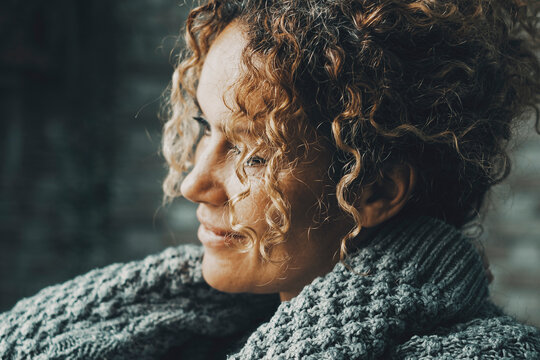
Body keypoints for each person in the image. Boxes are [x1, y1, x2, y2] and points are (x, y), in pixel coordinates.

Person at [1, 0, 540, 358]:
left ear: (372, 190)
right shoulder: (165, 327)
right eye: (204, 129)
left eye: (254, 154)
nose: (194, 184)